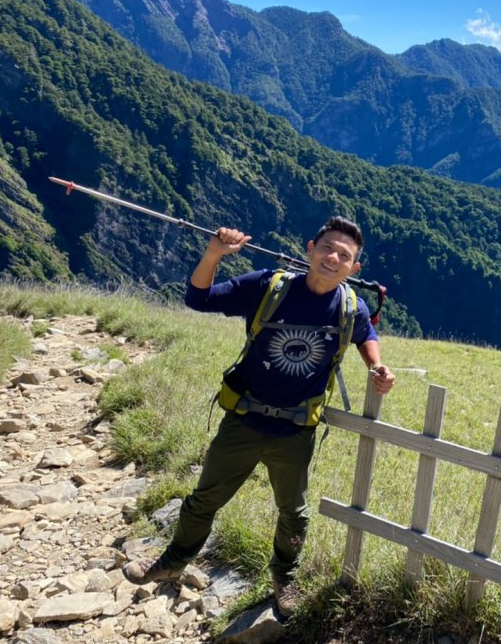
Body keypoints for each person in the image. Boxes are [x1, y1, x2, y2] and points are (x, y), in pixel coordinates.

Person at [122, 216, 395, 615]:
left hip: (295, 430)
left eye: (344, 255)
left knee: (293, 513)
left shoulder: (351, 306)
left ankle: (285, 579)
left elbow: (365, 334)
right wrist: (215, 253)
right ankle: (173, 561)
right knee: (204, 500)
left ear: (354, 269)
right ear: (309, 249)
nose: (333, 258)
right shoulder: (269, 286)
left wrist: (376, 366)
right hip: (244, 421)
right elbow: (199, 298)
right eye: (327, 248)